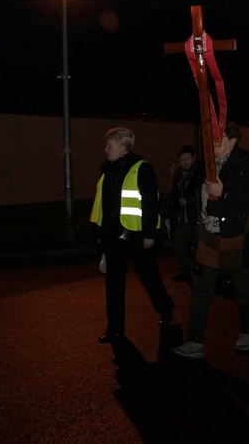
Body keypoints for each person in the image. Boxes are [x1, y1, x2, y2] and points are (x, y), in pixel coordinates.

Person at [172, 122, 249, 358]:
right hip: (208, 235)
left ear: (233, 140)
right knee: (201, 289)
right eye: (212, 139)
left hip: (235, 236)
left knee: (243, 287)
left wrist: (225, 192)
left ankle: (247, 332)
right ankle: (194, 342)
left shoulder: (245, 162)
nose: (214, 143)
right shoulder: (206, 165)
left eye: (220, 139)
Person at [90, 127, 174, 343]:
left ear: (122, 146)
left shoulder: (141, 168)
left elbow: (150, 203)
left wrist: (150, 234)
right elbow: (102, 205)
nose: (105, 149)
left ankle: (165, 308)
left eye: (109, 145)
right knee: (114, 286)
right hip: (113, 238)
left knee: (149, 278)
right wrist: (100, 233)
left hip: (137, 237)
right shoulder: (108, 171)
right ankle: (115, 329)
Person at [165, 145, 205, 283]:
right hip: (180, 215)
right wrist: (169, 215)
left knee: (196, 245)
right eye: (182, 159)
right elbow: (171, 194)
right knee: (180, 244)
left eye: (187, 159)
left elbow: (203, 192)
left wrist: (189, 201)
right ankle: (184, 271)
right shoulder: (177, 172)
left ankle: (198, 272)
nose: (185, 162)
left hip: (195, 215)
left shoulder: (200, 172)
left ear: (193, 158)